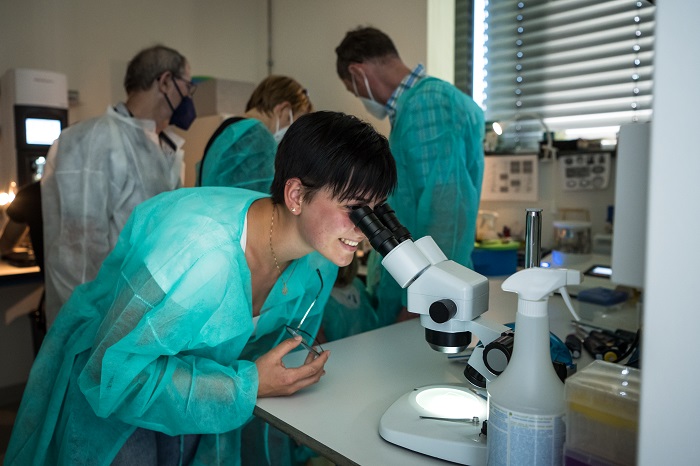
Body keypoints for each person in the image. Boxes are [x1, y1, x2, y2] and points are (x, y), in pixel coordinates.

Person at [5, 110, 397, 466]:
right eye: (355, 209)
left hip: (199, 405)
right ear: (296, 196)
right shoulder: (199, 256)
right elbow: (114, 376)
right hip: (113, 401)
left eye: (375, 210)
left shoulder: (319, 257)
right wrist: (247, 385)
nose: (366, 230)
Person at [335, 26, 485, 324]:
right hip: (423, 282)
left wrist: (426, 298)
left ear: (358, 72)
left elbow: (446, 210)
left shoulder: (427, 106)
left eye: (353, 89)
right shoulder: (421, 104)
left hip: (427, 293)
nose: (358, 96)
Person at [41, 44, 196, 327]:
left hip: (140, 314)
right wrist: (89, 329)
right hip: (99, 322)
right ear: (164, 82)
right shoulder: (91, 140)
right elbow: (77, 257)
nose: (189, 97)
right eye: (187, 86)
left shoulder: (164, 147)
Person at [196, 75, 313, 192]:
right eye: (293, 120)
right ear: (283, 109)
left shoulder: (230, 129)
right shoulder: (258, 136)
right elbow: (260, 201)